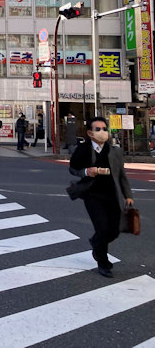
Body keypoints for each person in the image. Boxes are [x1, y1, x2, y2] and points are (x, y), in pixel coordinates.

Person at [69, 116, 134, 278]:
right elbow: (73, 169)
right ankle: (103, 263)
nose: (102, 132)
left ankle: (96, 241)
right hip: (93, 195)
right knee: (102, 228)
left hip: (112, 195)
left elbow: (122, 175)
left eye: (105, 129)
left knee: (115, 230)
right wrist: (86, 171)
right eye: (98, 129)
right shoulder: (83, 150)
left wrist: (128, 195)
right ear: (90, 133)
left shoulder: (115, 151)